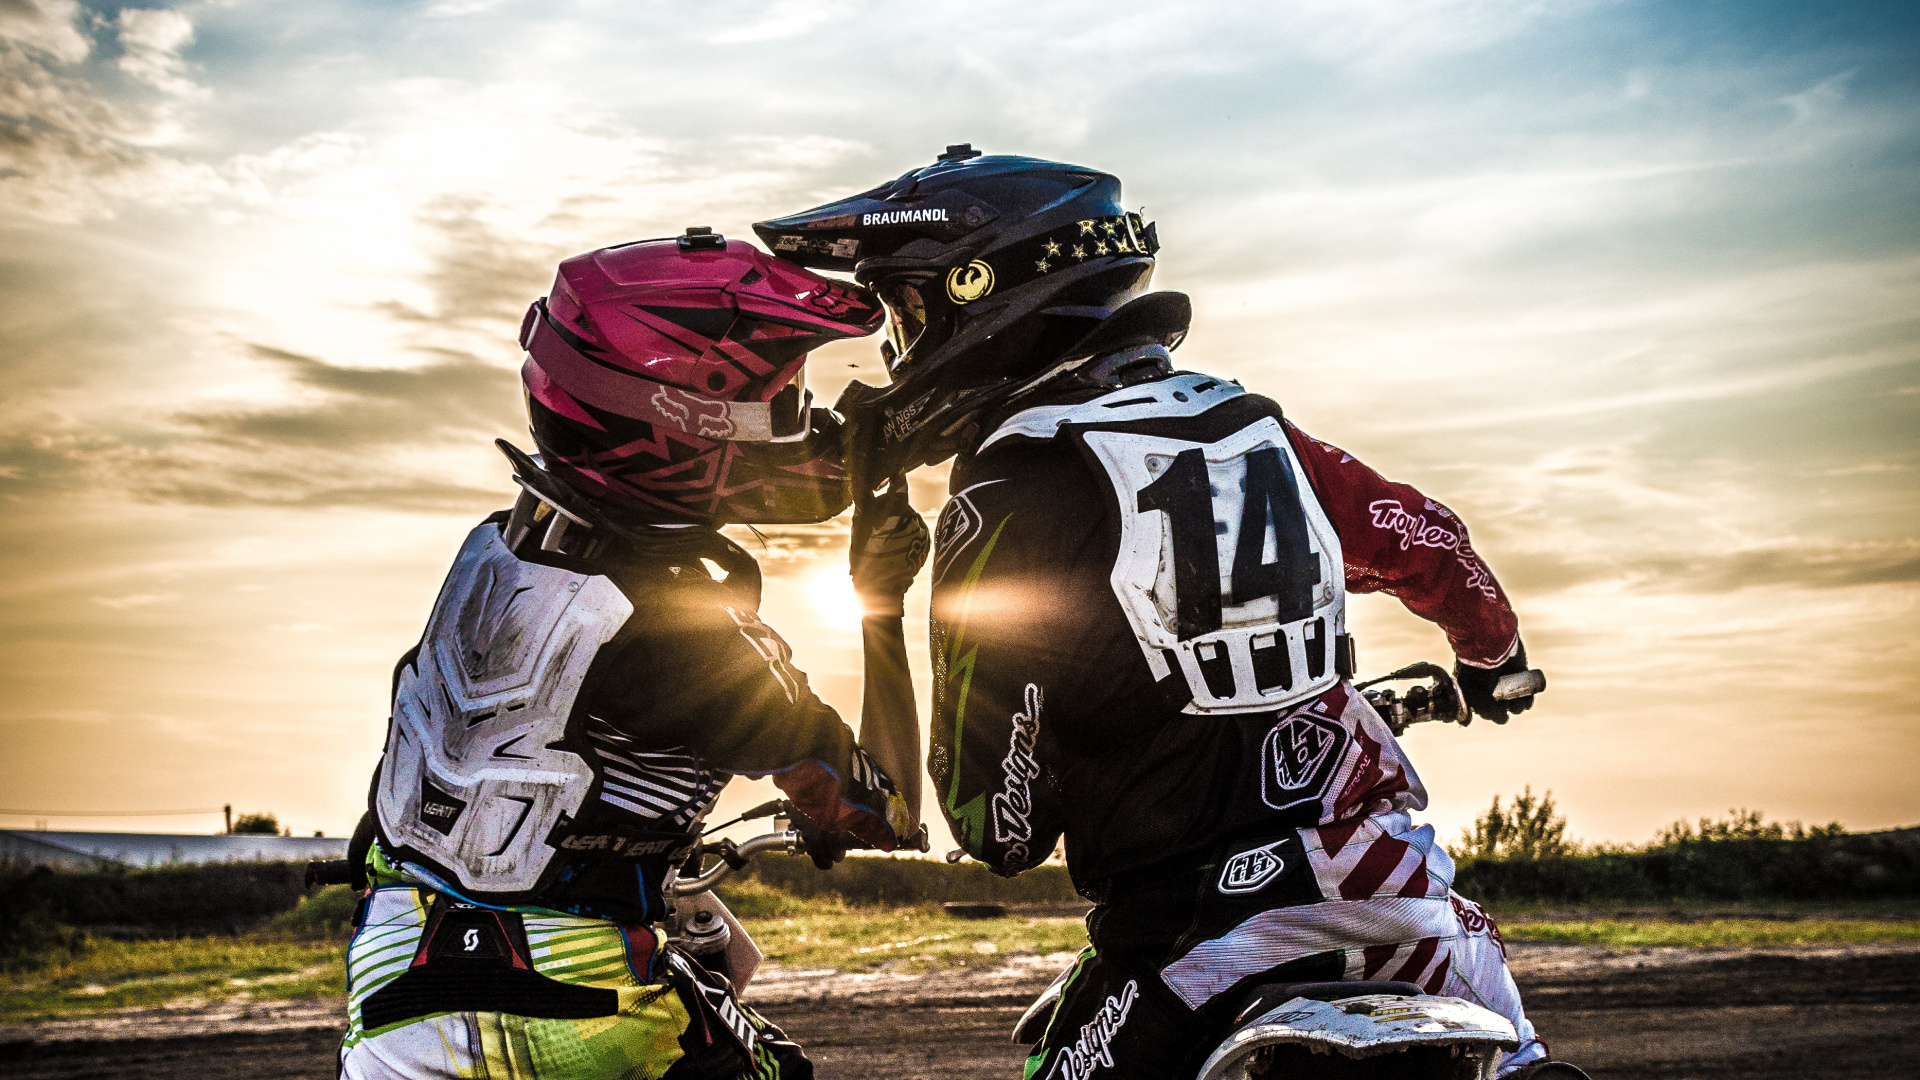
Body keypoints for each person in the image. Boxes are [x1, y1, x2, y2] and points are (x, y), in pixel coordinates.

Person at [754, 148, 1586, 1079]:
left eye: (906, 311)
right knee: (1524, 1066)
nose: (898, 349)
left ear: (980, 294)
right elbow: (1424, 539)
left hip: (1205, 935)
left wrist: (882, 608)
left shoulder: (1011, 483)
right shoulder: (1256, 426)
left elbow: (999, 829)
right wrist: (1491, 656)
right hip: (1412, 905)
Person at [336, 227, 927, 1080]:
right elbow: (882, 809)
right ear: (682, 424)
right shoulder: (685, 626)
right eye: (783, 403)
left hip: (396, 986)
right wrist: (879, 602)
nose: (801, 428)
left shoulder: (491, 558)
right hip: (568, 1011)